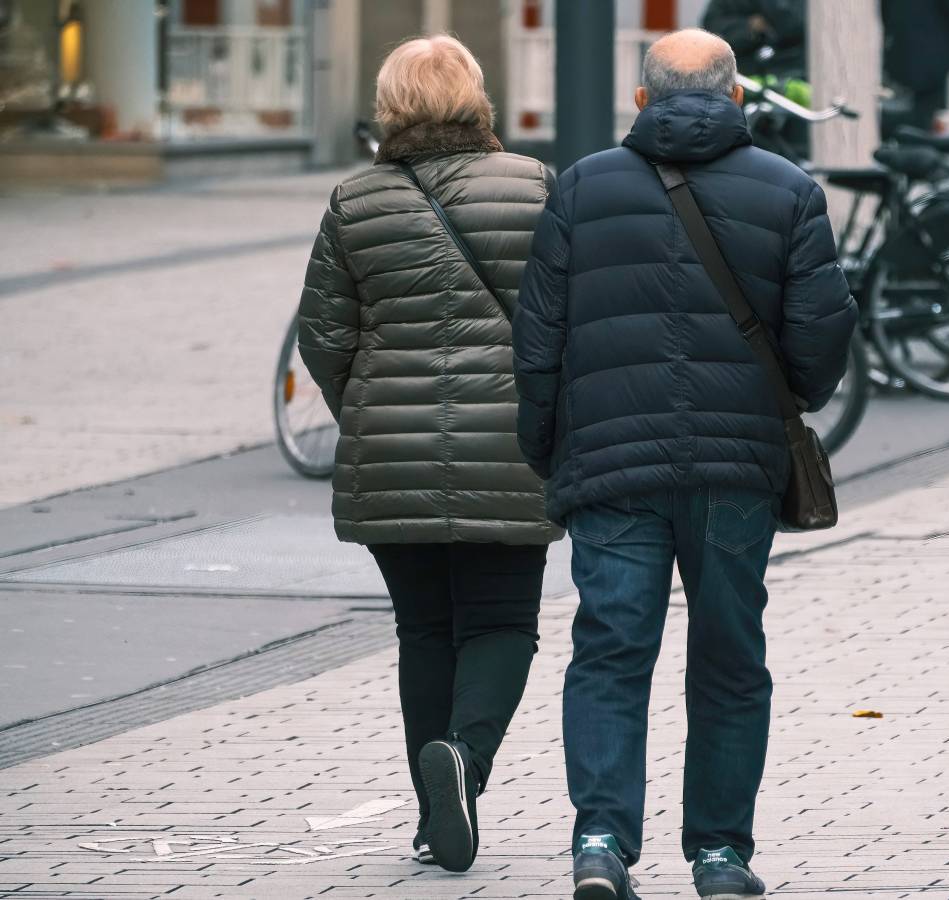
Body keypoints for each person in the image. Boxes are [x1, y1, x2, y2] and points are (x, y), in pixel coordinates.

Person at [514, 27, 856, 900]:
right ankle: (719, 855)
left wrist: (548, 447)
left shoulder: (583, 187)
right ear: (737, 97)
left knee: (610, 649)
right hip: (735, 467)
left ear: (641, 99)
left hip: (611, 464)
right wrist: (787, 406)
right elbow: (823, 333)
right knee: (732, 658)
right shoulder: (789, 190)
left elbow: (539, 339)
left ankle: (599, 840)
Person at [297, 35, 560, 874]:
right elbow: (566, 317)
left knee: (424, 629)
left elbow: (325, 335)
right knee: (503, 623)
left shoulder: (354, 199)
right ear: (475, 97)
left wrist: (367, 411)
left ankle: (428, 816)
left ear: (390, 104)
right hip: (511, 448)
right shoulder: (534, 186)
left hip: (389, 451)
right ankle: (466, 765)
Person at [880, 0, 949, 132]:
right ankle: (914, 137)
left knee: (908, 104)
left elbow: (886, 10)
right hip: (936, 51)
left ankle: (904, 136)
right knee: (925, 110)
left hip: (903, 48)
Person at [702, 0, 807, 77]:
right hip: (746, 74)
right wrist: (750, 28)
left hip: (795, 68)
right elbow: (712, 26)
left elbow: (796, 24)